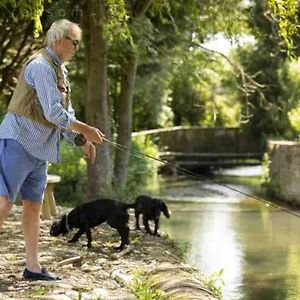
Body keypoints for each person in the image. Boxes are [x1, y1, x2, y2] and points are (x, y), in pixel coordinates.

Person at [0, 19, 104, 281]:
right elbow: (53, 113)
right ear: (59, 39)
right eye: (74, 42)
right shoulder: (41, 67)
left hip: (40, 151)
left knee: (34, 206)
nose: (77, 48)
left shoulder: (61, 72)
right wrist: (87, 129)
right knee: (3, 203)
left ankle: (32, 267)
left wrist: (81, 140)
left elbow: (63, 115)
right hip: (18, 142)